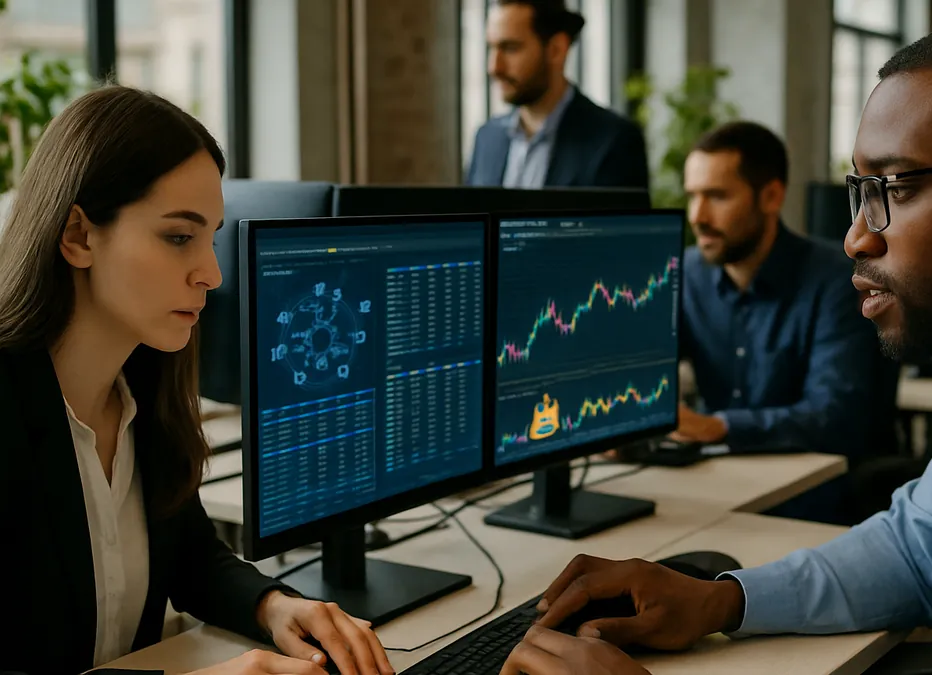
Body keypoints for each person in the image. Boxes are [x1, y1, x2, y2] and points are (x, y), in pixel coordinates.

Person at [501, 13, 932, 675]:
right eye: (859, 191)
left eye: (893, 187)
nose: (857, 237)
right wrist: (719, 599)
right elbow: (911, 549)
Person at [0, 86, 394, 675]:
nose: (210, 273)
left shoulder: (143, 389)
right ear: (79, 235)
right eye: (179, 237)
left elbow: (191, 557)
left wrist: (274, 606)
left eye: (210, 238)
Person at [669, 120, 883, 460]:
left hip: (806, 486)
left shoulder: (835, 281)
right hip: (711, 473)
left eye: (717, 196)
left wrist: (721, 426)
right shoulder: (685, 274)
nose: (698, 216)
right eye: (692, 195)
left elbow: (835, 415)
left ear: (771, 196)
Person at [465, 0, 649, 189]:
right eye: (491, 48)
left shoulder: (614, 142)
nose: (494, 67)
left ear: (556, 50)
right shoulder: (486, 138)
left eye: (511, 48)